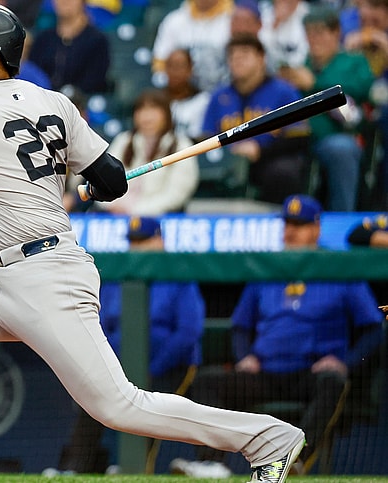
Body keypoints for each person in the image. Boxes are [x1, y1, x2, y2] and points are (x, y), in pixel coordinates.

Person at [0, 3, 305, 483]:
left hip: (42, 278)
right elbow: (113, 179)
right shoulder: (54, 102)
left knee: (119, 406)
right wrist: (90, 183)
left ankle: (267, 439)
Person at [173, 194, 385, 476]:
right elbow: (241, 326)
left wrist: (344, 361)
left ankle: (295, 461)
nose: (291, 231)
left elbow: (373, 328)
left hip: (311, 373)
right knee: (209, 382)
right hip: (266, 372)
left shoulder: (338, 267)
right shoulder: (270, 266)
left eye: (300, 224)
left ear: (316, 228)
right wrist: (245, 356)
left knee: (333, 382)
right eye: (287, 224)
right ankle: (212, 463)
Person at [54, 216, 206, 475]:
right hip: (120, 367)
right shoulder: (118, 276)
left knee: (151, 407)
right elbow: (98, 324)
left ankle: (133, 470)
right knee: (91, 399)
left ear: (160, 241)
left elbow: (188, 332)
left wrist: (153, 368)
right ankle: (74, 469)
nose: (138, 248)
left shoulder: (179, 275)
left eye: (144, 241)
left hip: (167, 369)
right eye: (134, 242)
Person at [278, 7, 373, 212]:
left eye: (320, 32)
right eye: (309, 33)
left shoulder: (353, 62)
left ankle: (342, 219)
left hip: (334, 136)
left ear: (336, 32)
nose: (314, 39)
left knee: (342, 148)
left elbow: (361, 93)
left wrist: (314, 83)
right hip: (295, 139)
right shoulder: (301, 66)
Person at [202, 34, 310, 204]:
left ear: (261, 59)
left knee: (282, 172)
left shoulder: (284, 92)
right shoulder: (219, 97)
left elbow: (299, 137)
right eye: (232, 56)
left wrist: (260, 150)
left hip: (270, 160)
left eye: (244, 55)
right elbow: (206, 138)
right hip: (227, 164)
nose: (237, 60)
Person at [99, 89, 199, 215]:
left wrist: (135, 211)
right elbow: (102, 179)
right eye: (141, 110)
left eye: (153, 109)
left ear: (166, 114)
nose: (147, 116)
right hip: (115, 215)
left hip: (158, 218)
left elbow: (177, 193)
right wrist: (112, 205)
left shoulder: (181, 144)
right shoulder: (123, 141)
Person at [27, 0, 110, 95]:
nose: (65, 1)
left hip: (80, 103)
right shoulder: (43, 39)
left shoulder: (97, 40)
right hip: (44, 101)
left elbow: (94, 80)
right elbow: (33, 73)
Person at [152, 0, 233, 93]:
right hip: (183, 98)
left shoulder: (236, 18)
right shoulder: (173, 21)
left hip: (225, 96)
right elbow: (160, 64)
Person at [164, 48, 210, 142]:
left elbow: (207, 136)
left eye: (179, 66)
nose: (174, 71)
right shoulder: (158, 101)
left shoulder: (204, 101)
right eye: (171, 66)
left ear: (190, 69)